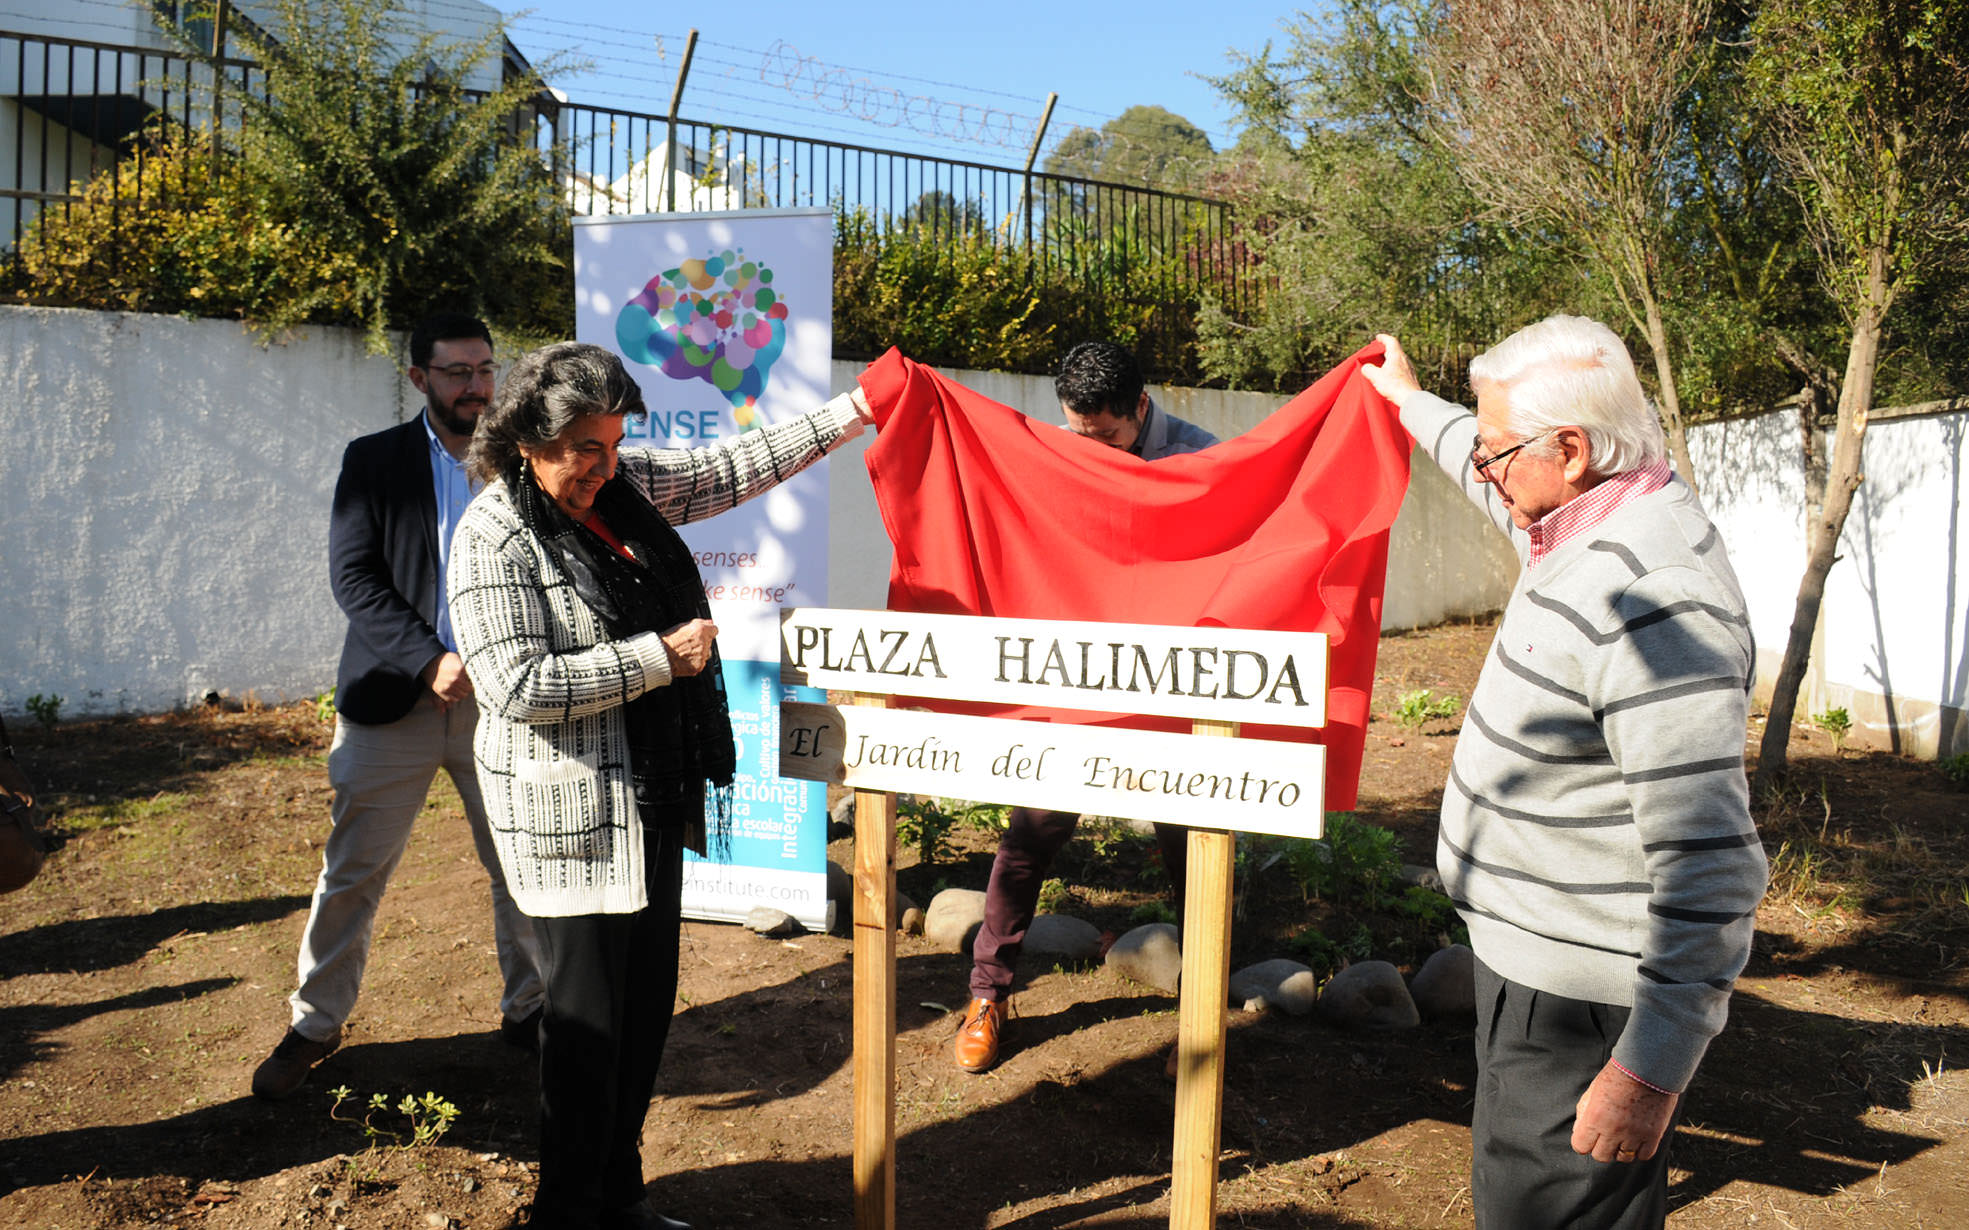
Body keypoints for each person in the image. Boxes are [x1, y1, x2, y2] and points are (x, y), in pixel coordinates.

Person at [447, 342, 875, 1230]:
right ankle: (567, 1212)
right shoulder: (493, 533)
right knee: (586, 1033)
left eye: (613, 445)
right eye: (585, 451)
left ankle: (620, 1197)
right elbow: (517, 687)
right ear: (529, 438)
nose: (605, 467)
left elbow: (726, 469)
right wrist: (656, 660)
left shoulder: (623, 485)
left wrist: (853, 411)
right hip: (570, 819)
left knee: (641, 1021)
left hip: (650, 796)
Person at [1360, 317, 1768, 1229]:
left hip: (1581, 1008)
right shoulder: (1582, 520)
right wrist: (1405, 399)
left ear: (1571, 448)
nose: (1482, 473)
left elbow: (1713, 867)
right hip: (1535, 975)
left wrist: (1646, 1073)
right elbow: (1482, 450)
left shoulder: (1653, 598)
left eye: (1497, 453)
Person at [253, 313, 544, 1101]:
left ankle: (531, 1013)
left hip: (505, 706)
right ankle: (315, 1024)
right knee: (353, 873)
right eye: (456, 372)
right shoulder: (374, 462)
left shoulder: (525, 462)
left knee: (519, 863)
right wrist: (429, 661)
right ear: (419, 379)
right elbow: (355, 580)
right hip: (394, 704)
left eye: (485, 369)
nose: (475, 386)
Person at [953, 340, 1218, 1074]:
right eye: (1077, 434)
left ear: (1139, 407)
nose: (1089, 449)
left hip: (1166, 683)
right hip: (1076, 681)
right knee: (1030, 833)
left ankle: (1201, 1013)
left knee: (1189, 844)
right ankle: (987, 995)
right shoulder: (1055, 450)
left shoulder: (1204, 464)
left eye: (1104, 436)